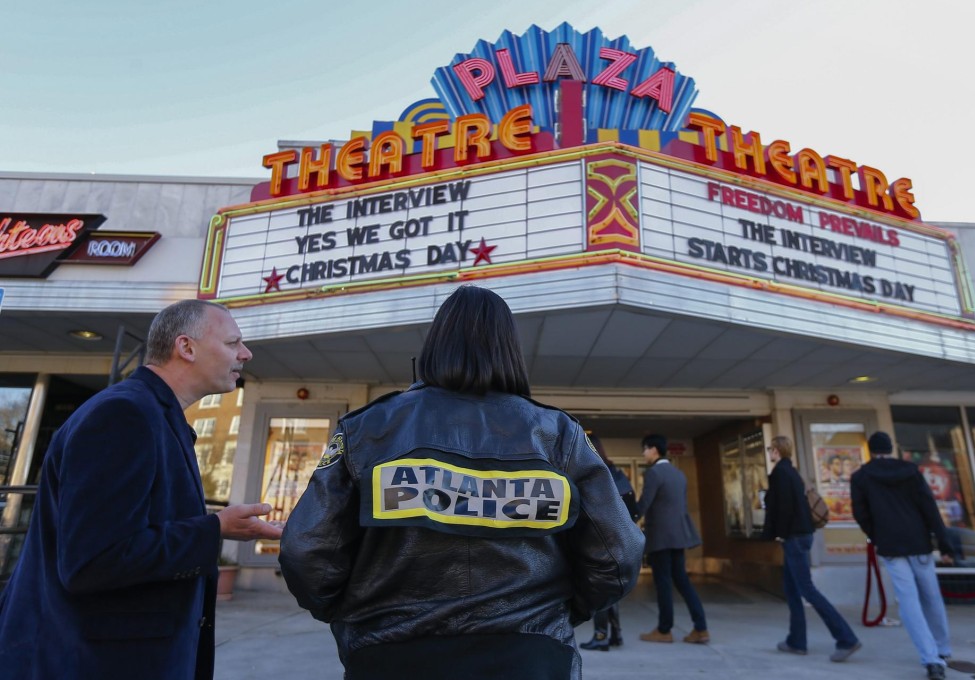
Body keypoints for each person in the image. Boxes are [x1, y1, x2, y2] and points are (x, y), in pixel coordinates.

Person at [279, 285, 644, 680]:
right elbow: (617, 555)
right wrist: (556, 617)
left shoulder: (366, 429)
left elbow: (307, 552)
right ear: (509, 352)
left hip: (389, 655)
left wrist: (357, 618)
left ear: (435, 345)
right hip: (531, 657)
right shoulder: (558, 434)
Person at [0, 299, 283, 680]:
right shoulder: (123, 415)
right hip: (89, 661)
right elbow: (92, 561)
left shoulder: (153, 414)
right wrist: (216, 529)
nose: (245, 354)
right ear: (186, 347)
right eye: (233, 343)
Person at [851, 431, 954, 680]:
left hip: (890, 544)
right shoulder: (911, 471)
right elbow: (929, 507)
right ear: (891, 448)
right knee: (931, 595)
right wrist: (944, 543)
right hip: (918, 541)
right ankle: (942, 647)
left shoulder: (861, 477)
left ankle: (930, 658)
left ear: (871, 450)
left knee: (908, 601)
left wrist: (877, 534)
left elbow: (861, 513)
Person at [762, 435, 861, 662]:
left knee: (806, 590)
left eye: (770, 449)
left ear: (776, 451)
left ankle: (846, 638)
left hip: (793, 538)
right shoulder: (793, 472)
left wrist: (777, 533)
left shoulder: (780, 473)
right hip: (803, 535)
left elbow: (783, 508)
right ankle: (796, 641)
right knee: (792, 589)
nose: (770, 453)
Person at [636, 434, 710, 645]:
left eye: (645, 449)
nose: (643, 453)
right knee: (683, 582)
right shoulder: (679, 474)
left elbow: (644, 505)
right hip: (679, 536)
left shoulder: (654, 474)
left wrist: (627, 518)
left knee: (663, 584)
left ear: (653, 450)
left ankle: (664, 629)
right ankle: (701, 627)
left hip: (660, 537)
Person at [579, 433, 640, 651]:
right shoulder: (616, 473)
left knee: (599, 588)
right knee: (611, 589)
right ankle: (616, 635)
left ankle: (601, 635)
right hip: (619, 541)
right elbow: (634, 510)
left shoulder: (596, 473)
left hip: (600, 541)